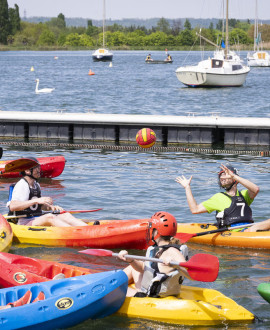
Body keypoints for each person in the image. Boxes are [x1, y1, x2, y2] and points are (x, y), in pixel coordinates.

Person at [117, 211, 189, 297]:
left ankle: (112, 283)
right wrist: (131, 260)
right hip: (151, 291)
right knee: (132, 268)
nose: (150, 231)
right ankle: (113, 280)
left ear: (157, 231)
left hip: (151, 297)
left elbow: (190, 274)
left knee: (115, 288)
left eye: (151, 228)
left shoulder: (172, 251)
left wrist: (178, 265)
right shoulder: (159, 249)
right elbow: (145, 268)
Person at [7, 157, 87, 227]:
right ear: (27, 171)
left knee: (65, 215)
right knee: (49, 217)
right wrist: (36, 200)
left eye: (39, 167)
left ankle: (87, 228)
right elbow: (13, 206)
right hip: (24, 222)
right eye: (36, 168)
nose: (39, 170)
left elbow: (37, 207)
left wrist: (50, 207)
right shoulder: (22, 185)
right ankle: (74, 232)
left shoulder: (36, 184)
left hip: (36, 218)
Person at [175, 164, 260, 229]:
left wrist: (234, 176)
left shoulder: (244, 195)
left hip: (250, 229)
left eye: (225, 174)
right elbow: (195, 209)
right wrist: (187, 187)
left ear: (235, 179)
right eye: (221, 175)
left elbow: (255, 189)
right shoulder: (218, 197)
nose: (222, 177)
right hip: (234, 232)